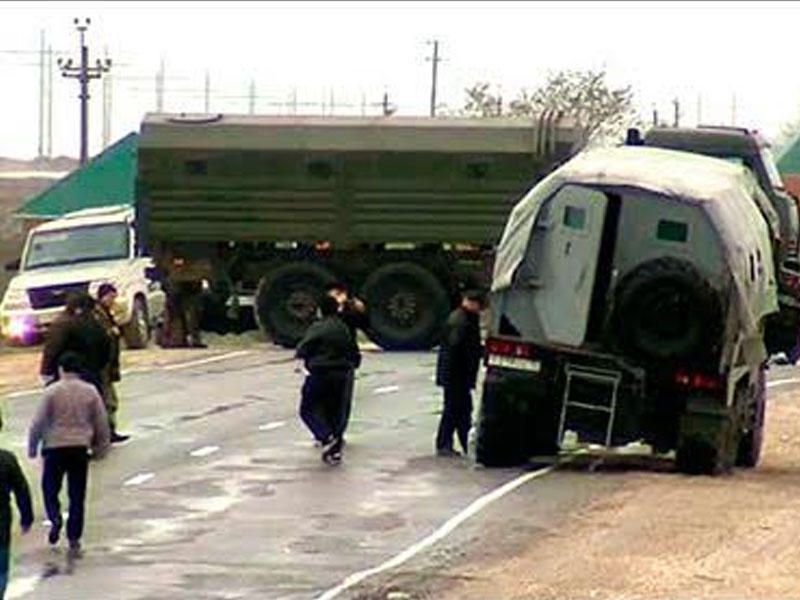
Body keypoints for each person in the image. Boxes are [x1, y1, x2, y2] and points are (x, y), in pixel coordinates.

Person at [28, 351, 111, 561]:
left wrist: (32, 445)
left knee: (50, 488)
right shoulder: (90, 391)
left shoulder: (51, 392)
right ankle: (74, 534)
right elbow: (101, 422)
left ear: (61, 369)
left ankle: (55, 517)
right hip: (79, 448)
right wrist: (102, 448)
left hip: (54, 448)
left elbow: (38, 421)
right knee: (77, 494)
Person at [295, 295, 360, 465]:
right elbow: (354, 351)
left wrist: (303, 358)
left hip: (321, 371)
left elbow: (305, 347)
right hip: (343, 373)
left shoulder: (318, 327)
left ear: (320, 310)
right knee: (336, 411)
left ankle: (326, 437)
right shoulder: (343, 327)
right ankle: (335, 449)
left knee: (307, 409)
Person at [434, 290, 486, 457]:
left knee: (458, 409)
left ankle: (457, 444)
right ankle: (447, 444)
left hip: (456, 375)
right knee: (456, 410)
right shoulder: (461, 321)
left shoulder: (463, 318)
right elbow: (457, 347)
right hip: (456, 375)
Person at [40, 292, 111, 398]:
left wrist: (46, 372)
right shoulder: (96, 324)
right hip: (93, 374)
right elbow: (106, 348)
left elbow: (52, 350)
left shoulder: (61, 324)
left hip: (66, 375)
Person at [325, 281, 369, 441]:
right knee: (327, 401)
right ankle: (328, 431)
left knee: (342, 401)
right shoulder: (326, 312)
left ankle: (337, 432)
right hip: (327, 361)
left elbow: (363, 322)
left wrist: (356, 308)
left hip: (345, 360)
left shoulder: (349, 311)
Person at [93, 284, 131, 444]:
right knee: (107, 400)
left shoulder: (105, 313)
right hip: (102, 364)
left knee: (109, 399)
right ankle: (107, 431)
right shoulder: (98, 315)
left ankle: (109, 430)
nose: (113, 301)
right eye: (111, 298)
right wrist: (111, 333)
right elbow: (101, 337)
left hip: (107, 363)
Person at [0, 420, 33, 599]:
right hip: (1, 525)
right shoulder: (6, 459)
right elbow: (21, 489)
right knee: (1, 568)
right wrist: (26, 516)